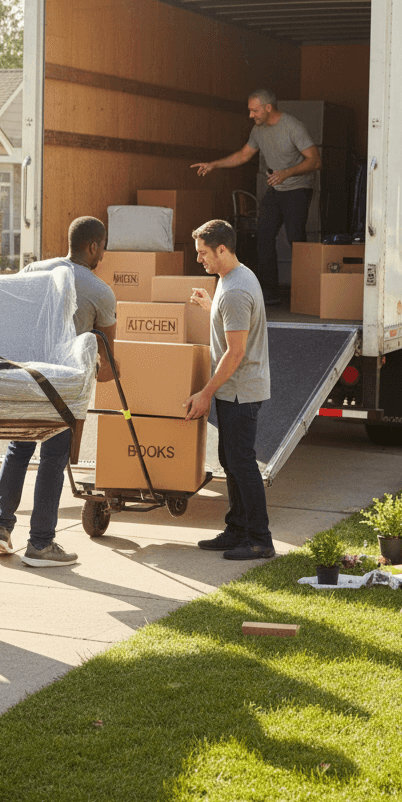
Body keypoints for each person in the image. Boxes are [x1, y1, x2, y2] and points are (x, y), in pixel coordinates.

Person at [0, 216, 118, 567]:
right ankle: (41, 543)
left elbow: (12, 316)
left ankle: (1, 528)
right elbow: (106, 352)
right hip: (63, 389)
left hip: (27, 378)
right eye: (102, 247)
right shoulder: (99, 291)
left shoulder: (34, 270)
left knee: (18, 448)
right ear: (93, 246)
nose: (103, 255)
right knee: (53, 460)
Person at [185, 219, 278, 560]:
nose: (200, 260)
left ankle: (259, 539)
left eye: (204, 253)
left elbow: (235, 351)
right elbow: (233, 325)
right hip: (235, 390)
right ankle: (237, 529)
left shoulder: (236, 290)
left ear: (222, 249)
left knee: (242, 462)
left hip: (239, 391)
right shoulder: (231, 279)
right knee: (231, 460)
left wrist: (205, 392)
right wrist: (211, 306)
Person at [192, 89, 320, 306]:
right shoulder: (258, 129)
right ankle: (270, 292)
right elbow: (243, 155)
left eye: (254, 110)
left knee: (296, 239)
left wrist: (286, 173)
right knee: (263, 235)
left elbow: (315, 161)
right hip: (276, 188)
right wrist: (214, 164)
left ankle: (306, 294)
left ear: (269, 108)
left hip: (297, 189)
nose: (251, 115)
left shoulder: (293, 127)